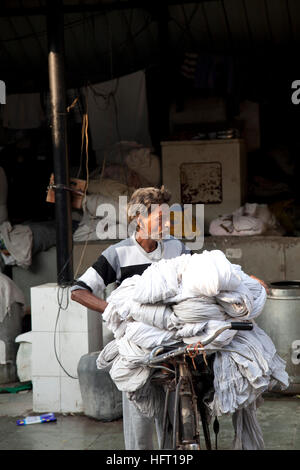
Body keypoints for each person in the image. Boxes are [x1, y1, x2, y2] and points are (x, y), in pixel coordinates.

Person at [71, 186, 191, 449]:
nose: (168, 223)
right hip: (135, 351)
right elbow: (78, 291)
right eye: (161, 218)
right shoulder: (118, 253)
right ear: (139, 218)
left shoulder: (176, 249)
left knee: (173, 427)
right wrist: (113, 310)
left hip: (171, 348)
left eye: (168, 217)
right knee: (140, 431)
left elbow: (204, 275)